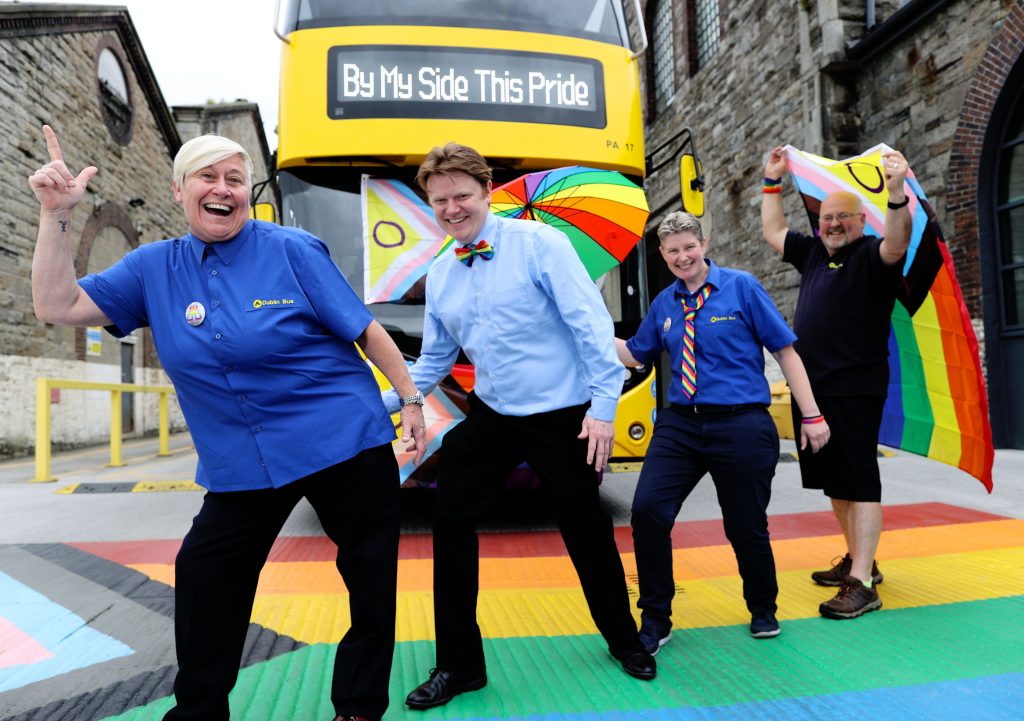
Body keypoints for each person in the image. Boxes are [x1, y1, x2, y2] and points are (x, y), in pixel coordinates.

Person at [29, 125, 426, 721]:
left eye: (235, 179)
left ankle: (359, 708)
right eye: (208, 177)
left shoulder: (292, 250)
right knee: (205, 576)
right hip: (242, 459)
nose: (223, 189)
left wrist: (411, 400)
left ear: (248, 192)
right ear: (179, 190)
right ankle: (199, 710)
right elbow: (57, 306)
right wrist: (56, 218)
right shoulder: (152, 268)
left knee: (370, 582)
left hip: (341, 439)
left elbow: (365, 329)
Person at [391, 142, 656, 710]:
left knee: (586, 526)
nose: (453, 208)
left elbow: (590, 328)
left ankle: (624, 638)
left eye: (462, 195)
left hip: (563, 415)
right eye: (441, 200)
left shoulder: (541, 245)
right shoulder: (440, 274)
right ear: (429, 204)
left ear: (486, 192)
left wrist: (604, 410)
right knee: (448, 518)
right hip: (493, 415)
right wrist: (397, 400)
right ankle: (460, 665)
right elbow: (434, 361)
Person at [615, 211, 830, 651]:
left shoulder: (742, 287)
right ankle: (656, 619)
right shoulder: (664, 304)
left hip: (742, 423)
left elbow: (786, 352)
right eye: (673, 251)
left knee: (745, 525)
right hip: (680, 425)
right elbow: (635, 355)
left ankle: (762, 606)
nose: (682, 257)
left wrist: (812, 415)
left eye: (689, 247)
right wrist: (585, 325)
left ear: (704, 243)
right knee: (648, 512)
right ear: (663, 255)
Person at [761, 145, 912, 619]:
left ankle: (863, 583)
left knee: (860, 479)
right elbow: (772, 230)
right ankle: (858, 558)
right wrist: (771, 181)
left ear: (861, 221)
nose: (832, 224)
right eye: (826, 217)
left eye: (843, 217)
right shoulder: (810, 253)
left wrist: (895, 191)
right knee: (835, 482)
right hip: (815, 391)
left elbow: (899, 240)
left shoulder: (873, 253)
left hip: (855, 387)